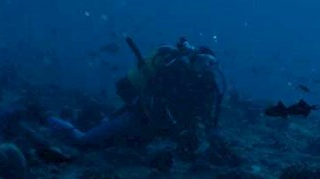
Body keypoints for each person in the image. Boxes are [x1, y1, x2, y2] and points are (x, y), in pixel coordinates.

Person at [48, 37, 225, 152]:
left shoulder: (209, 86)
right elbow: (153, 100)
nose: (206, 66)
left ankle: (95, 119)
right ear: (192, 59)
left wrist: (194, 133)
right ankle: (51, 121)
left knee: (127, 148)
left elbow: (207, 116)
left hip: (165, 128)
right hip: (140, 115)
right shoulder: (173, 71)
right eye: (202, 60)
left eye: (211, 63)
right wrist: (173, 127)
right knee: (85, 143)